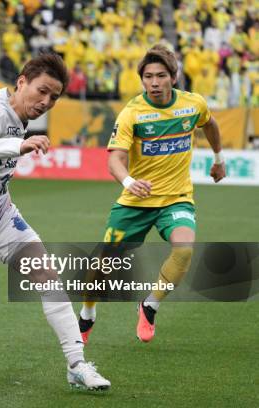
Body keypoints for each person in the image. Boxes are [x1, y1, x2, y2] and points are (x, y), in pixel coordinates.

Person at [0, 52, 111, 390]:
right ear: (22, 82)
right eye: (41, 91)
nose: (45, 102)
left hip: (0, 216)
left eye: (54, 98)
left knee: (47, 274)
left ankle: (77, 365)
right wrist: (19, 145)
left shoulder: (10, 110)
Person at [78, 44, 226, 344]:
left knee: (184, 249)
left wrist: (218, 158)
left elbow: (209, 124)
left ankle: (150, 305)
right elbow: (114, 159)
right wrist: (128, 181)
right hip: (136, 202)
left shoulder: (193, 104)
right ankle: (87, 312)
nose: (154, 83)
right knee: (103, 265)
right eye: (148, 77)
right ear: (142, 79)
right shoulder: (132, 112)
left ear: (174, 77)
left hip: (176, 197)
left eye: (160, 76)